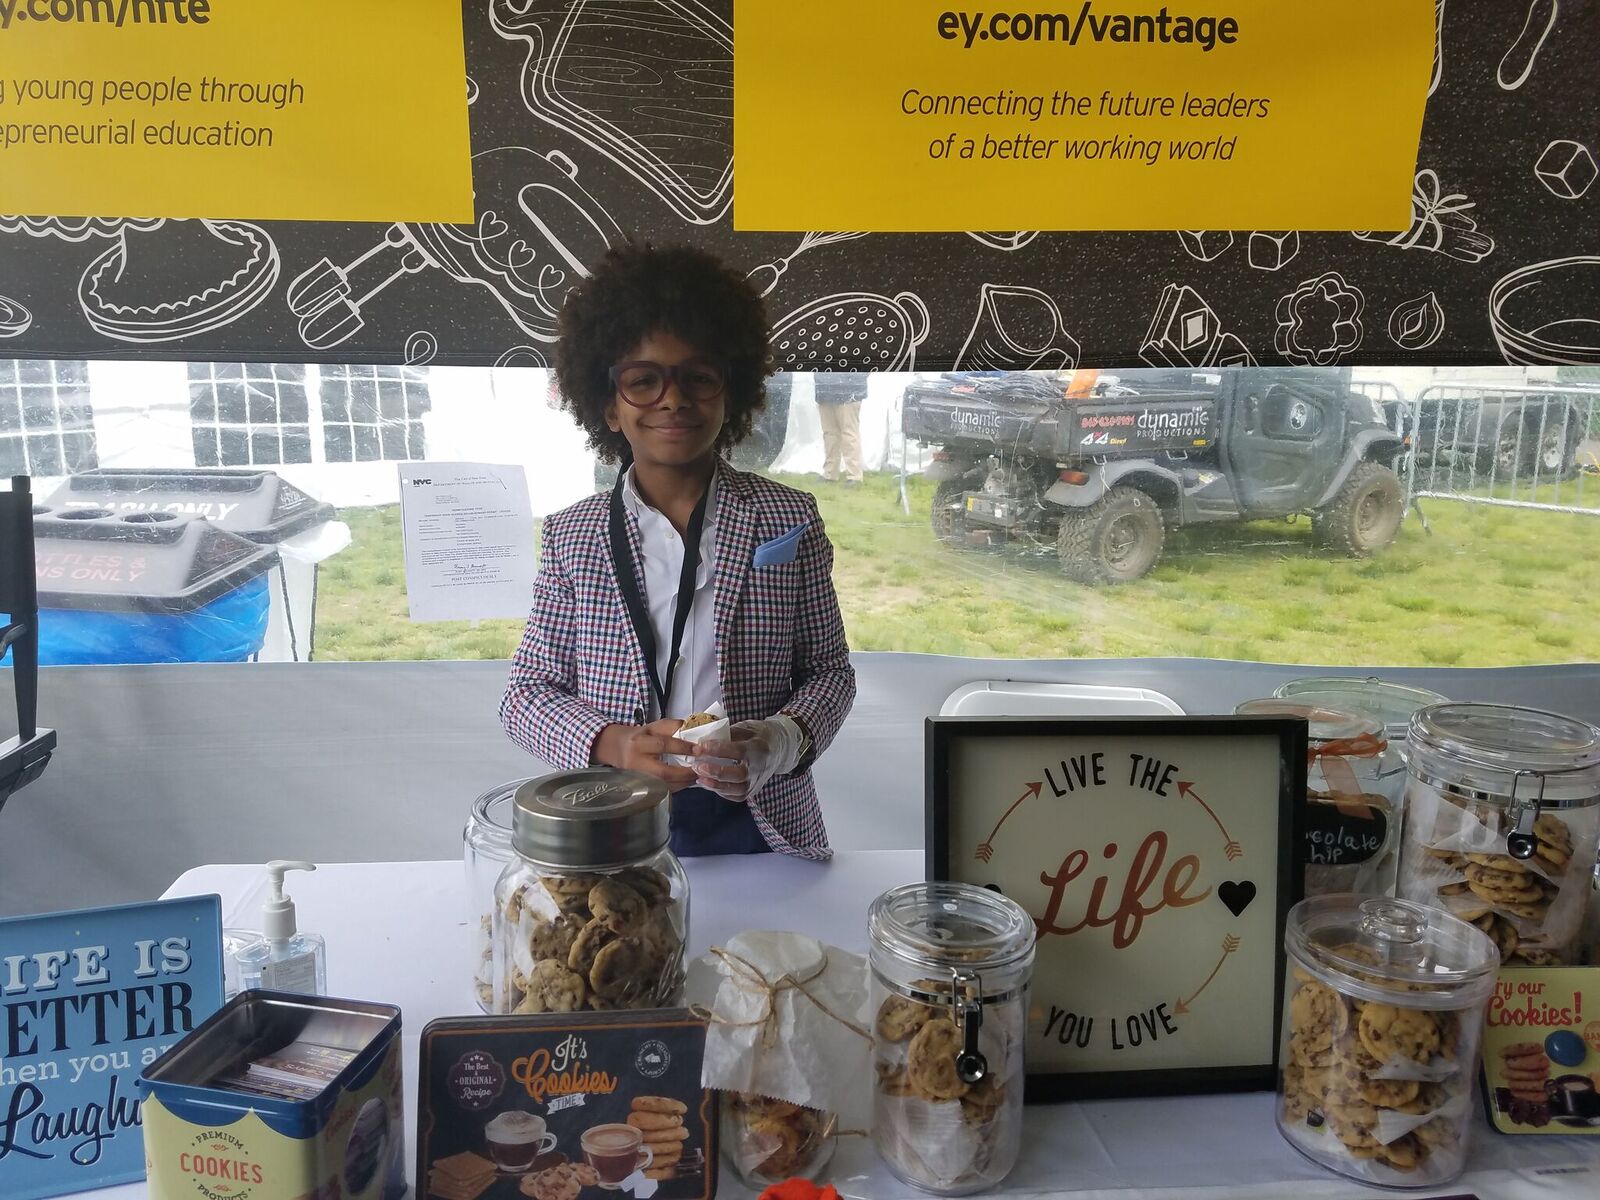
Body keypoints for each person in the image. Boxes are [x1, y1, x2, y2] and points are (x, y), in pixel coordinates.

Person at [499, 243, 856, 859]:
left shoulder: (788, 518)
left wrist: (778, 741)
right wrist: (613, 744)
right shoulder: (571, 536)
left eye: (698, 377)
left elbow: (830, 673)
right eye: (643, 381)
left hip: (762, 821)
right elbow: (526, 694)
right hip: (614, 815)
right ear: (608, 406)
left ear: (730, 392)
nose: (673, 398)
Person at [813, 371, 867, 485]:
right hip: (824, 390)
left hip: (849, 390)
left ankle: (854, 476)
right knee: (829, 434)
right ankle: (830, 473)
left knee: (849, 433)